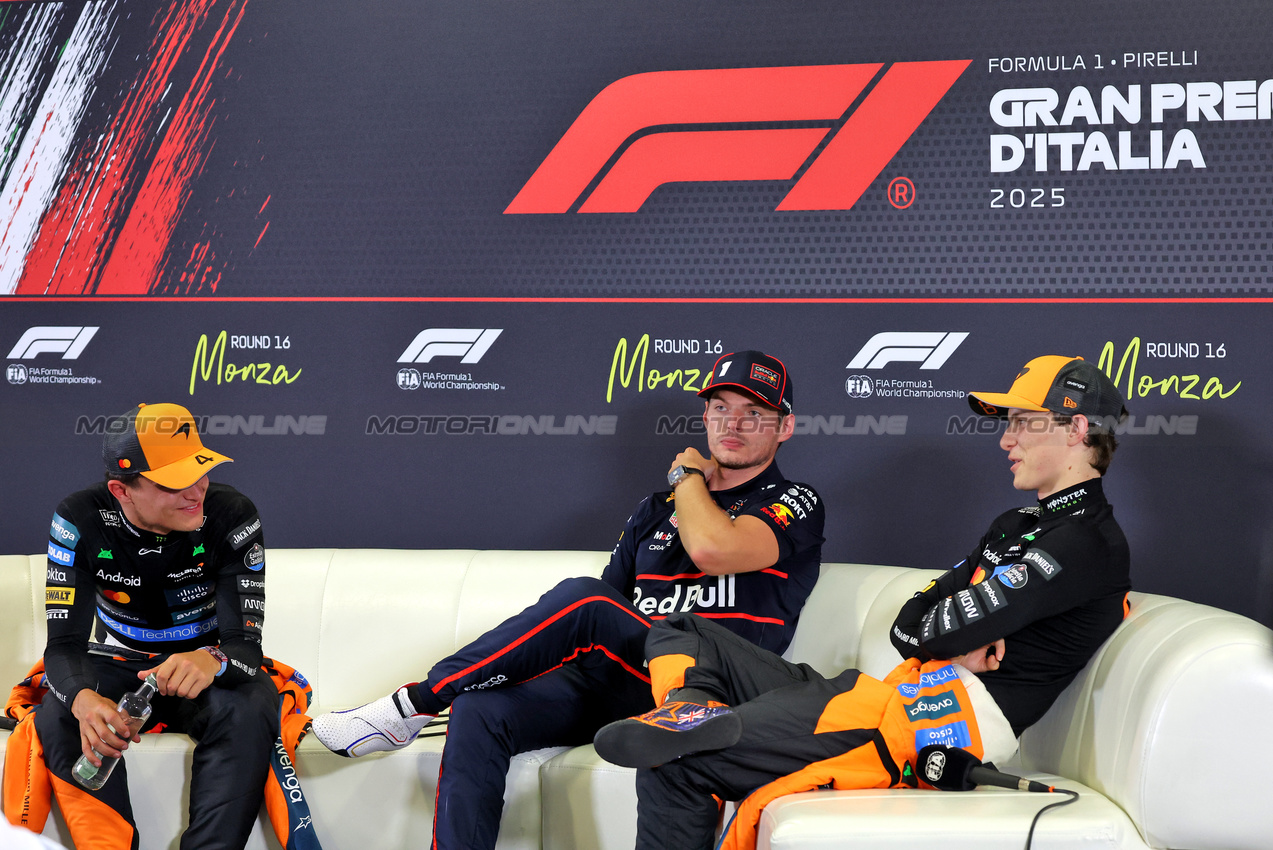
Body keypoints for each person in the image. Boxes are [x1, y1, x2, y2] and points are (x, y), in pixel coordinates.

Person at [591, 354, 1132, 850]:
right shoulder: (1015, 524)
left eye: (1022, 422)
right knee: (684, 628)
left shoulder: (1086, 542)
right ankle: (689, 706)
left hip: (933, 724)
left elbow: (938, 631)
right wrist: (955, 635)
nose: (1006, 439)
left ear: (1076, 429)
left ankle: (688, 726)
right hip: (889, 695)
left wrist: (951, 635)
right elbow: (909, 626)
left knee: (675, 758)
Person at [312, 350, 826, 850]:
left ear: (784, 427)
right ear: (706, 417)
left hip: (714, 687)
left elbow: (712, 549)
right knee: (480, 709)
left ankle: (414, 704)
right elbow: (611, 610)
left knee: (585, 599)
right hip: (633, 679)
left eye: (754, 413)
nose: (733, 424)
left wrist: (688, 477)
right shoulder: (655, 510)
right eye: (720, 408)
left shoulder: (794, 501)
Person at [36, 403, 277, 850]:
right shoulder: (79, 518)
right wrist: (84, 701)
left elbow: (245, 646)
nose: (196, 491)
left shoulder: (231, 513)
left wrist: (212, 659)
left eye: (200, 471)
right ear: (121, 490)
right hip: (117, 662)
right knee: (60, 709)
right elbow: (64, 646)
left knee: (252, 703)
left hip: (203, 666)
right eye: (173, 482)